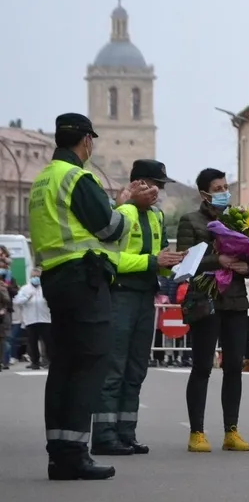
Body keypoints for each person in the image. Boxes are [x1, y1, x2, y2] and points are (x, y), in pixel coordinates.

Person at [29, 113, 155, 480]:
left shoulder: (43, 179)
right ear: (86, 141)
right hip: (83, 278)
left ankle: (60, 453)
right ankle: (75, 453)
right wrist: (127, 203)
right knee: (89, 364)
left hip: (56, 278)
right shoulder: (77, 177)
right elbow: (110, 229)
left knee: (65, 365)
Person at [90, 160, 183, 456]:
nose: (159, 192)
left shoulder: (155, 216)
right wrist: (154, 262)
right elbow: (110, 258)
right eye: (156, 185)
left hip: (146, 295)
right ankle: (104, 436)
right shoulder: (122, 213)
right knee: (114, 367)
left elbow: (157, 256)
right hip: (121, 295)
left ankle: (126, 433)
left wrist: (173, 264)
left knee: (136, 369)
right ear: (139, 184)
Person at [178, 167, 249, 453]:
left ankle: (231, 431)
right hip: (205, 301)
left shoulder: (239, 220)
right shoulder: (190, 221)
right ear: (204, 193)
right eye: (218, 188)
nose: (224, 192)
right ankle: (196, 432)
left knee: (234, 365)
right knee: (201, 367)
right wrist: (217, 259)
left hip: (234, 300)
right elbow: (185, 262)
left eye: (225, 187)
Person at [13, 267, 52, 370]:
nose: (36, 278)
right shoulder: (25, 289)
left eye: (38, 276)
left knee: (47, 341)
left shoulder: (45, 287)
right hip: (31, 319)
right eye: (34, 276)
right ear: (31, 277)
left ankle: (48, 361)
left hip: (45, 319)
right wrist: (26, 298)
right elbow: (16, 301)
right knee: (32, 342)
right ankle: (35, 362)